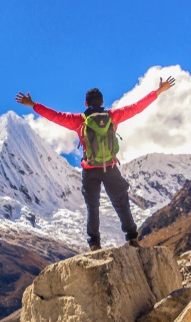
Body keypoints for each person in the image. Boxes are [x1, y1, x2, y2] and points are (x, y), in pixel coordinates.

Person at [15, 77, 176, 251]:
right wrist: (159, 91)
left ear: (86, 103)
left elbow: (55, 116)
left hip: (90, 169)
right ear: (102, 102)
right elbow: (136, 107)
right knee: (121, 203)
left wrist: (33, 105)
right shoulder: (112, 116)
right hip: (110, 167)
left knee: (92, 207)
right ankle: (132, 238)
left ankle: (94, 244)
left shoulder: (79, 120)